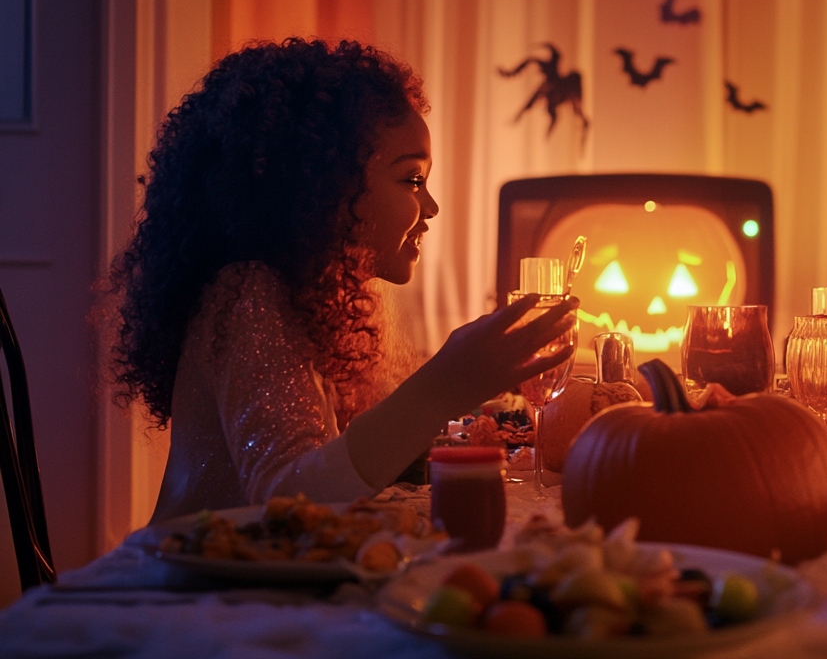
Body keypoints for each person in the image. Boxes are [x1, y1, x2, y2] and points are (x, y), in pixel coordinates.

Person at [109, 39, 576, 523]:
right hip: (196, 590)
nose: (431, 207)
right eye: (412, 180)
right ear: (325, 187)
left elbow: (344, 461)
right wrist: (442, 386)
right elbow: (289, 499)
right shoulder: (248, 296)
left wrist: (473, 395)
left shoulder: (315, 296)